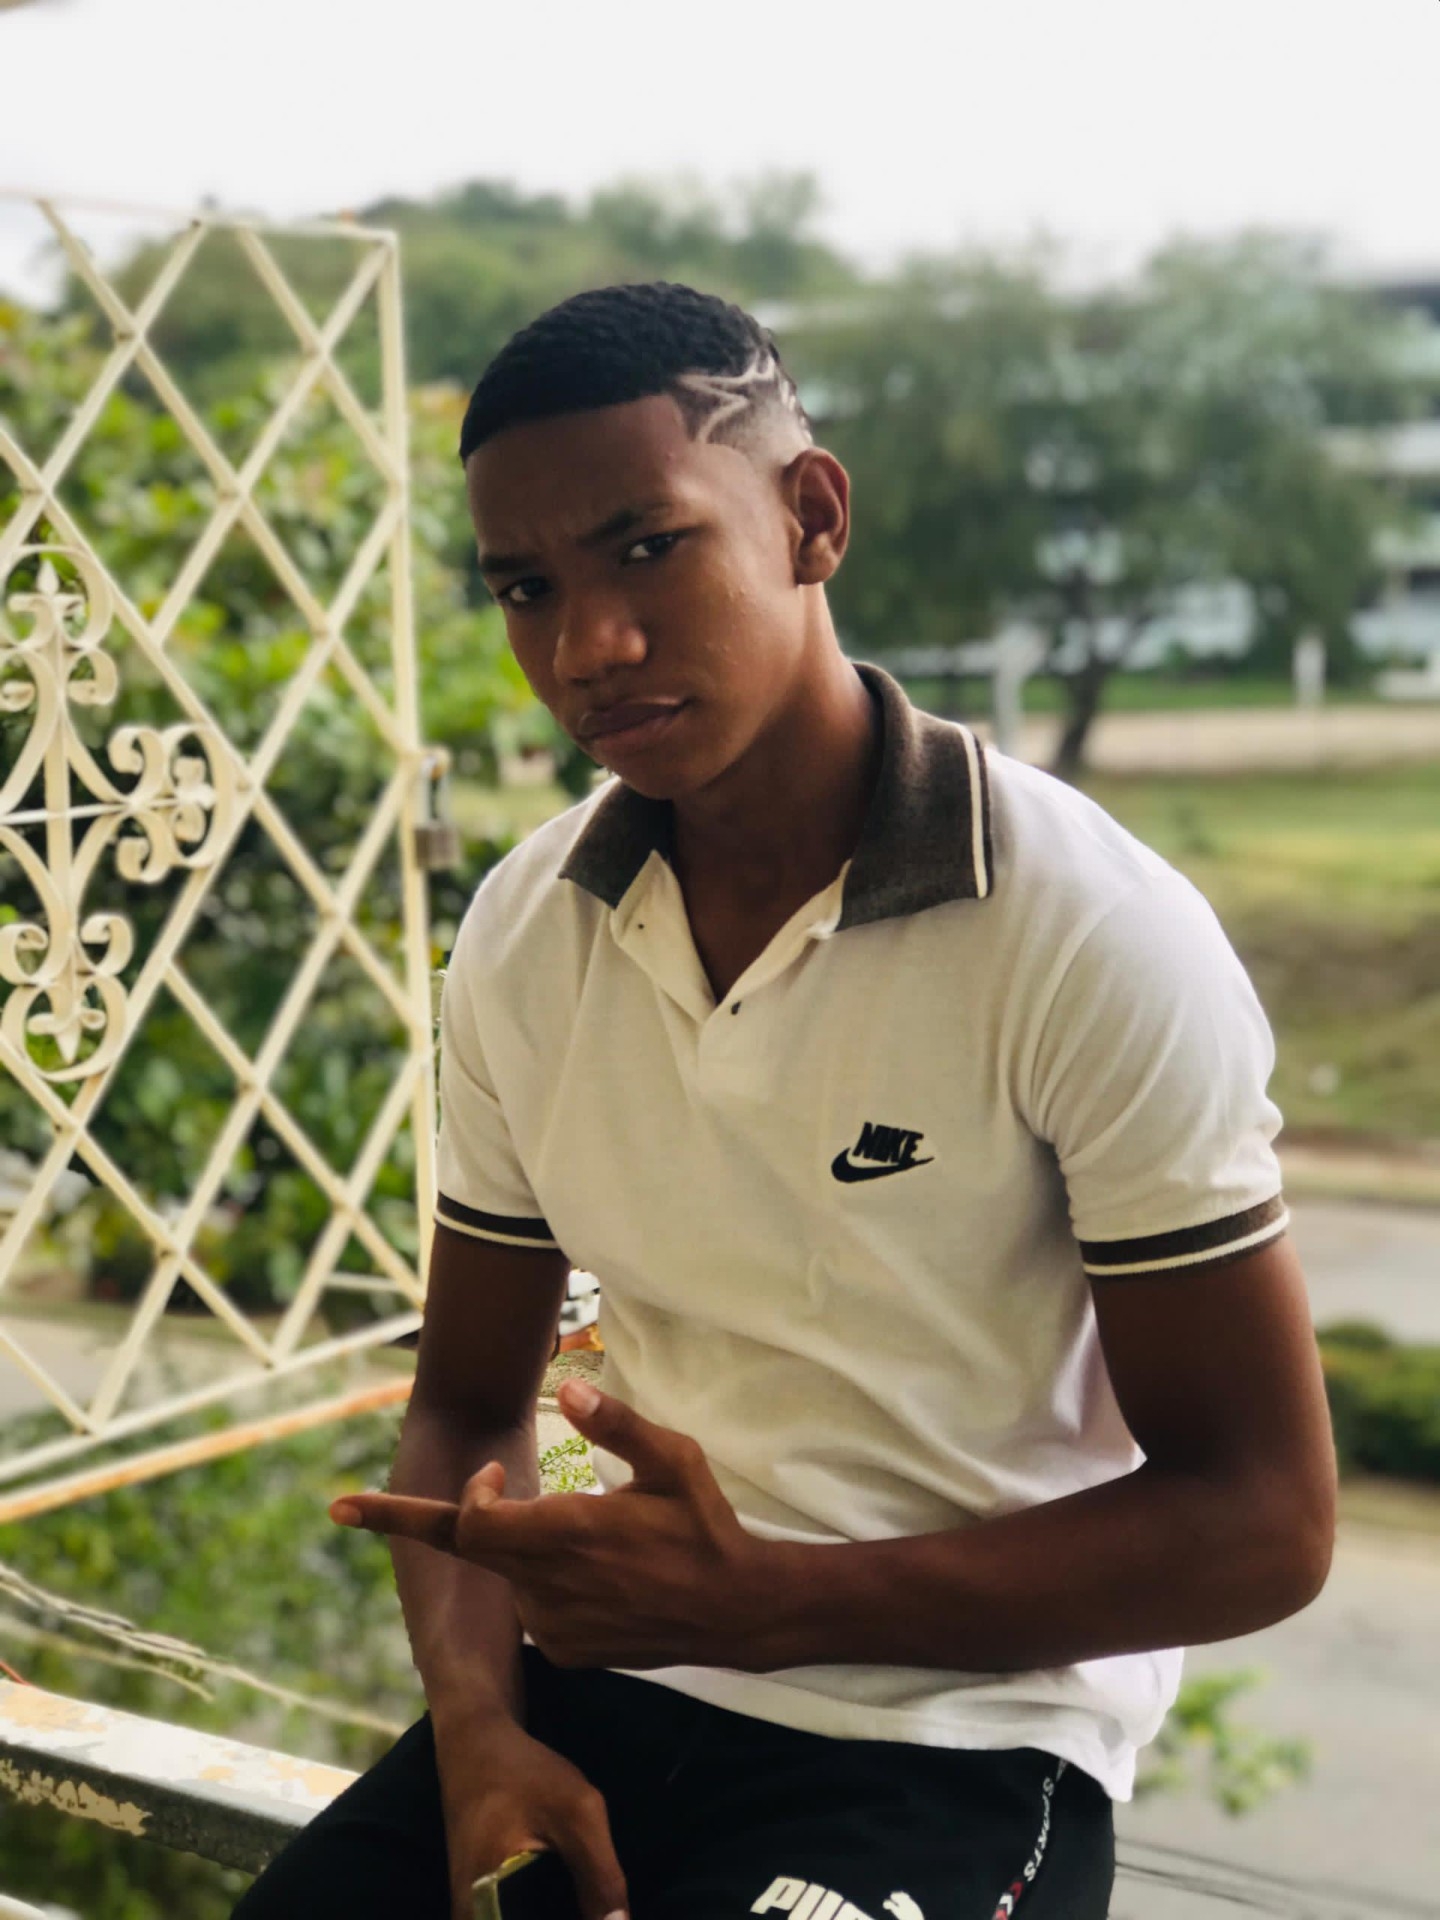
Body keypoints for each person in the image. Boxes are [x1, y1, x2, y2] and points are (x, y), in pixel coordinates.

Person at [233, 282, 1336, 1920]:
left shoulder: (1084, 930)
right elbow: (466, 1407)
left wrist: (762, 1603)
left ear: (811, 516)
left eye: (647, 549)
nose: (585, 647)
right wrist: (477, 1732)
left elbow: (1263, 1519)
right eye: (527, 588)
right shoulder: (531, 931)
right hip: (604, 1687)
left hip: (957, 1737)